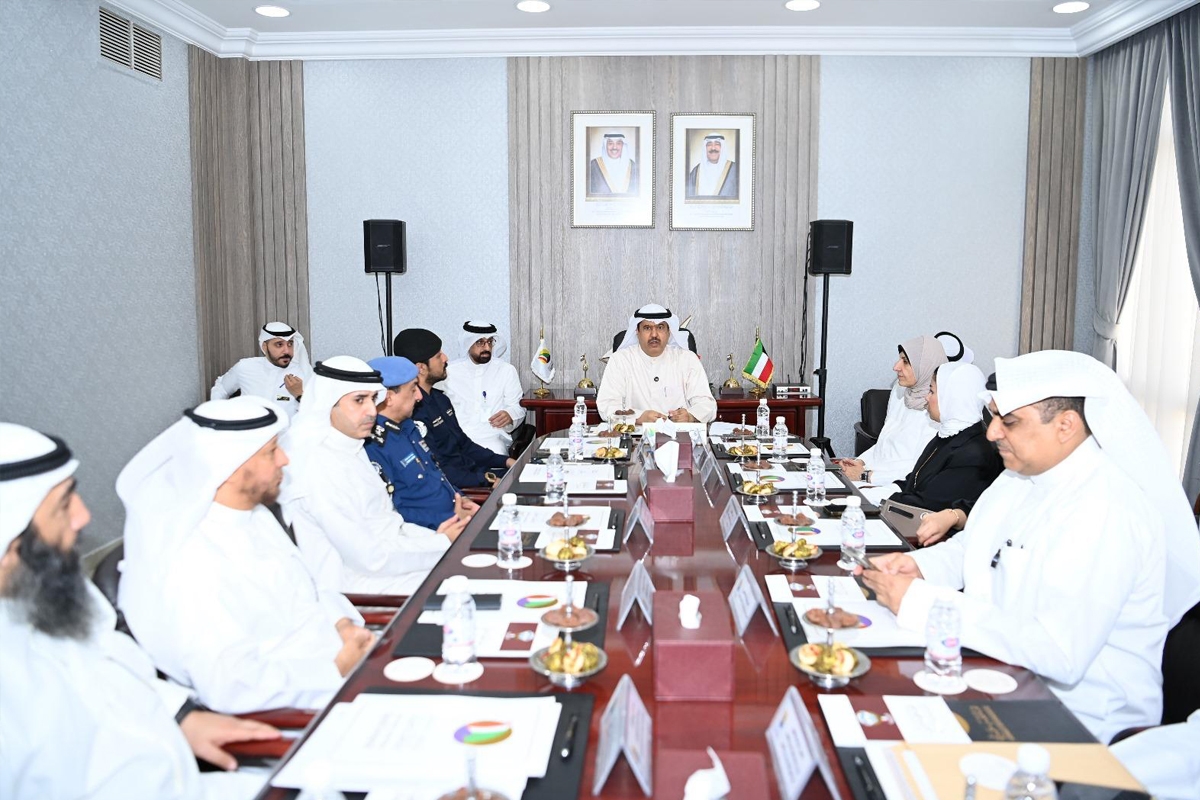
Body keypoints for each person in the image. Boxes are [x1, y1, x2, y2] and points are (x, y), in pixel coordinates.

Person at [858, 351, 1200, 743]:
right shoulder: (1020, 475)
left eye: (1010, 421)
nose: (992, 433)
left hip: (1078, 721)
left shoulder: (1108, 509)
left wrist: (923, 603)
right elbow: (975, 544)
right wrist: (920, 567)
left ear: (1066, 425)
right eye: (993, 417)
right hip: (996, 673)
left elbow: (1058, 651)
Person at [0, 423, 278, 799]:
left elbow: (108, 657)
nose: (83, 516)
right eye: (64, 504)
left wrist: (181, 715)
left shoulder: (41, 583)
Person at [117, 397, 374, 715]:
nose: (284, 460)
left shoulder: (254, 515)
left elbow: (307, 591)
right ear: (228, 466)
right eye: (271, 451)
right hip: (303, 709)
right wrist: (336, 667)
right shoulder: (192, 561)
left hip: (344, 661)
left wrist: (343, 624)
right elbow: (232, 685)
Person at [279, 357, 467, 595]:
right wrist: (442, 543)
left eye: (373, 398)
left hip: (388, 567)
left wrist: (445, 538)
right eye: (359, 400)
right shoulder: (314, 465)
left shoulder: (352, 448)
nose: (371, 410)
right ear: (328, 403)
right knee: (470, 584)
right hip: (353, 589)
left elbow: (390, 525)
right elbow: (370, 558)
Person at [877, 362, 1004, 546]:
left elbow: (927, 504)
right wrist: (869, 491)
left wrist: (875, 500)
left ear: (952, 397)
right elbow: (915, 480)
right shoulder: (948, 434)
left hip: (930, 541)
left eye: (932, 391)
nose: (927, 397)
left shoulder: (975, 453)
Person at [365, 356, 480, 531]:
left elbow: (437, 475)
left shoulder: (408, 427)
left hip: (456, 519)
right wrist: (452, 518)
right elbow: (393, 513)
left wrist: (461, 498)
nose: (419, 396)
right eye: (413, 389)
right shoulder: (374, 444)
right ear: (389, 397)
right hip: (432, 534)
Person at [392, 328, 514, 488]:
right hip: (459, 487)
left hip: (472, 473)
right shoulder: (414, 412)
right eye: (438, 356)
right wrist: (487, 480)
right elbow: (438, 469)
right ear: (421, 368)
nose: (445, 358)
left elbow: (464, 445)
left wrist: (506, 461)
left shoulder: (440, 399)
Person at [838, 334, 948, 485]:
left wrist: (865, 476)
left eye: (906, 362)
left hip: (896, 485)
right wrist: (860, 462)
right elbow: (885, 442)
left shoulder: (939, 407)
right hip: (871, 474)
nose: (896, 367)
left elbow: (919, 470)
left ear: (926, 366)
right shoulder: (901, 389)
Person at [597, 304, 716, 424]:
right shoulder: (620, 360)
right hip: (635, 433)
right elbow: (607, 405)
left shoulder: (687, 359)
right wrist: (638, 417)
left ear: (669, 332)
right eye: (647, 328)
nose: (654, 334)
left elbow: (707, 405)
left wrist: (690, 416)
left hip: (678, 432)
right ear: (637, 332)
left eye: (660, 327)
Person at [440, 321, 526, 456]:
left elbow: (518, 406)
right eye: (480, 342)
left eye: (490, 342)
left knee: (495, 455)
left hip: (492, 436)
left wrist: (510, 415)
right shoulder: (449, 371)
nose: (487, 347)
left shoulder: (506, 370)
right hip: (456, 436)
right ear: (468, 344)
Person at [211, 321, 314, 419]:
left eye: (290, 344)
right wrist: (218, 416)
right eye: (279, 344)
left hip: (287, 431)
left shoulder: (303, 373)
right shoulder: (245, 367)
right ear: (264, 347)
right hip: (251, 430)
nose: (287, 351)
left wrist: (300, 394)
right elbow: (221, 388)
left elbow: (316, 412)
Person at [685, 133, 739, 199]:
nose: (713, 148)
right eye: (709, 144)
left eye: (717, 144)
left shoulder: (735, 169)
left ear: (723, 148)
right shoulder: (696, 172)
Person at [587, 132, 639, 196]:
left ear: (623, 146)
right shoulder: (593, 166)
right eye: (610, 143)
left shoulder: (633, 166)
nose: (614, 147)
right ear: (605, 145)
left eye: (618, 143)